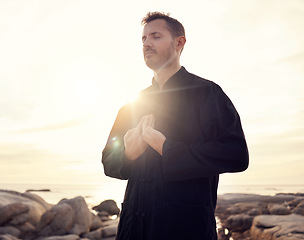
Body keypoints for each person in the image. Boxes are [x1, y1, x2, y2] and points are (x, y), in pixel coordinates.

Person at [101, 12, 249, 240]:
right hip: (133, 230)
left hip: (186, 229)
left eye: (155, 36)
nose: (147, 43)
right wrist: (129, 153)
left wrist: (167, 149)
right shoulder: (132, 105)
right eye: (143, 39)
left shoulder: (208, 94)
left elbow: (236, 155)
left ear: (179, 42)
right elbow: (108, 161)